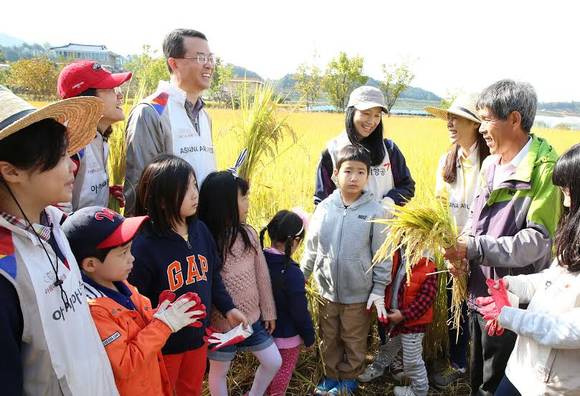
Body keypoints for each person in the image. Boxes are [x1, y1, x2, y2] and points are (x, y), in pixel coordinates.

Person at [444, 80, 562, 396]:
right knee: (477, 374)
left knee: (497, 381)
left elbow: (537, 242)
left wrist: (474, 247)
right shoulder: (491, 164)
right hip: (479, 290)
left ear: (513, 119)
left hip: (512, 299)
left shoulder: (544, 170)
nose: (482, 128)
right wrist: (462, 253)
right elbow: (475, 219)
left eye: (486, 119)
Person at [0, 86, 118, 395]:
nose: (73, 165)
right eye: (58, 156)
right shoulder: (5, 272)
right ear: (11, 171)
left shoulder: (54, 224)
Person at [128, 155, 246, 396]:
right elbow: (135, 304)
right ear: (161, 200)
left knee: (191, 389)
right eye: (185, 189)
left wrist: (229, 308)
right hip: (164, 347)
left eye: (195, 185)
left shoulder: (200, 230)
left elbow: (212, 277)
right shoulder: (144, 246)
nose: (195, 194)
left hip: (197, 340)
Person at [63, 206, 204, 396]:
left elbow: (137, 326)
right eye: (123, 253)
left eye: (130, 250)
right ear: (90, 264)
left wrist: (162, 314)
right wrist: (164, 324)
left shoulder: (123, 285)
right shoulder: (94, 310)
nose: (132, 258)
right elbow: (125, 363)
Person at [487, 143, 580, 395]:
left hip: (553, 386)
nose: (566, 200)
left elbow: (571, 330)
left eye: (569, 189)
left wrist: (510, 316)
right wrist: (510, 285)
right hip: (520, 368)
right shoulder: (574, 239)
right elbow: (550, 280)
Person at [302, 145, 391, 395]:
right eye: (348, 171)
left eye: (360, 172)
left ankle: (349, 379)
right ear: (335, 174)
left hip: (359, 293)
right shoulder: (324, 209)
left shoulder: (375, 211)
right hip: (327, 291)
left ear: (368, 177)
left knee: (353, 339)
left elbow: (382, 255)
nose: (354, 178)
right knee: (328, 337)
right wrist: (303, 277)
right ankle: (331, 376)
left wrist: (379, 288)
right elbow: (311, 248)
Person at [424, 94, 490, 388]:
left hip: (481, 250)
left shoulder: (489, 161)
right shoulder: (446, 159)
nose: (450, 123)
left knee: (481, 310)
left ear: (475, 125)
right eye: (448, 118)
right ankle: (458, 362)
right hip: (452, 251)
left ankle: (479, 367)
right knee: (455, 308)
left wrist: (467, 248)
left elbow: (486, 211)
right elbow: (439, 207)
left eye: (457, 118)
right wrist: (447, 247)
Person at [198, 171, 281, 396]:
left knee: (273, 361)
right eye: (243, 197)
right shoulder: (206, 239)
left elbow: (261, 275)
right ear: (223, 204)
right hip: (221, 326)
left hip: (251, 319)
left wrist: (268, 310)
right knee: (218, 372)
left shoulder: (248, 234)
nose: (248, 203)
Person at [124, 28, 216, 214]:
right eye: (200, 58)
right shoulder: (152, 111)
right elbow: (139, 186)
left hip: (202, 231)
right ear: (174, 63)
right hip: (166, 233)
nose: (208, 65)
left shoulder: (204, 115)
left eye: (210, 58)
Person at [314, 85, 415, 210]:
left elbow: (407, 185)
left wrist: (390, 201)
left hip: (383, 227)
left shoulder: (389, 149)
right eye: (366, 113)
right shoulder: (332, 151)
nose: (371, 121)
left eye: (377, 115)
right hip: (345, 228)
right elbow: (321, 199)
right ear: (351, 112)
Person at [57, 60, 131, 211]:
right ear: (87, 100)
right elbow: (59, 214)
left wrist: (105, 192)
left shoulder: (98, 137)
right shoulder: (69, 146)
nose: (120, 95)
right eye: (111, 89)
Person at [260, 209, 315, 396]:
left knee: (265, 369)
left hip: (263, 333)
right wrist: (309, 337)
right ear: (296, 241)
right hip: (287, 336)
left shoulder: (259, 260)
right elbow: (299, 311)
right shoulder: (292, 272)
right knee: (283, 371)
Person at [372, 252, 438, 396]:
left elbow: (426, 299)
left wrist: (403, 315)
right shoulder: (398, 259)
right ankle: (377, 367)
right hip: (396, 318)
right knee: (389, 347)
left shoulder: (428, 266)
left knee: (411, 360)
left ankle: (419, 390)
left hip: (413, 323)